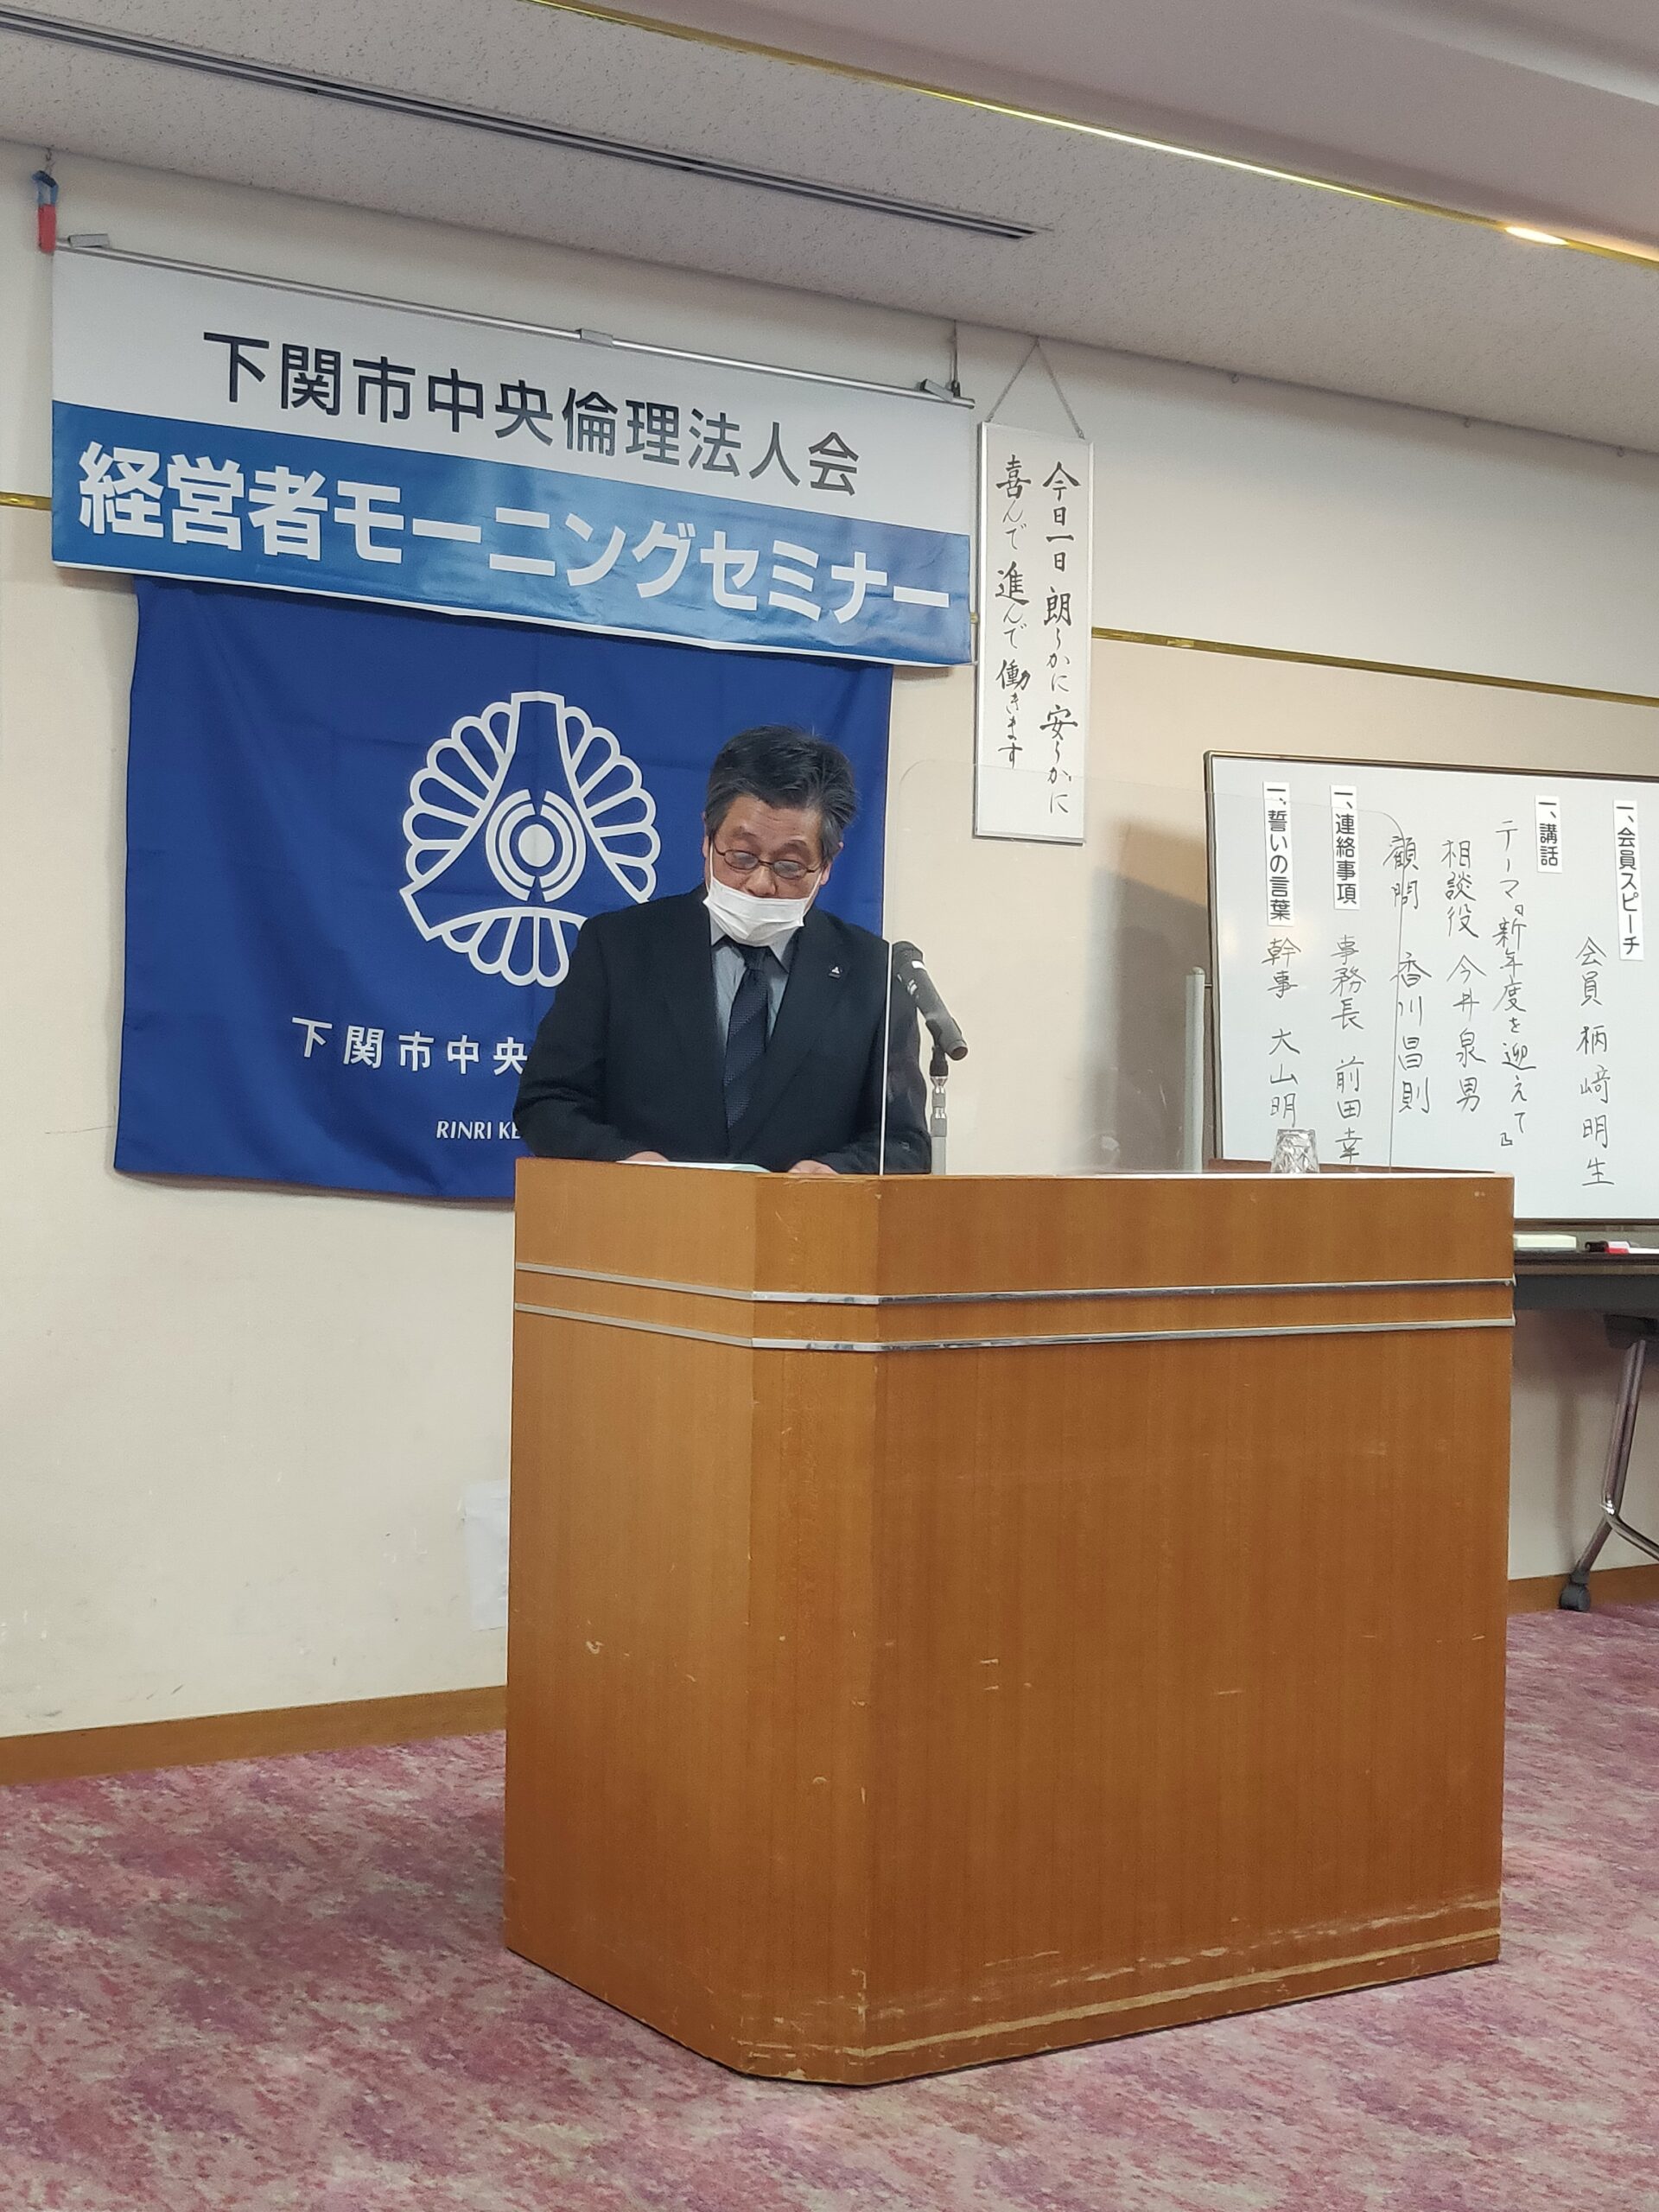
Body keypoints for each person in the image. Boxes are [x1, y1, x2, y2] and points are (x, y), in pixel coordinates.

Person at [514, 724, 930, 1173]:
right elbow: (548, 1101)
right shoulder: (619, 947)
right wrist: (629, 1163)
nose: (760, 883)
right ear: (708, 839)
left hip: (804, 1216)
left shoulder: (872, 974)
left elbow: (903, 1143)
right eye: (742, 857)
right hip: (645, 1212)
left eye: (790, 865)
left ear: (826, 865)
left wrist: (836, 1173)